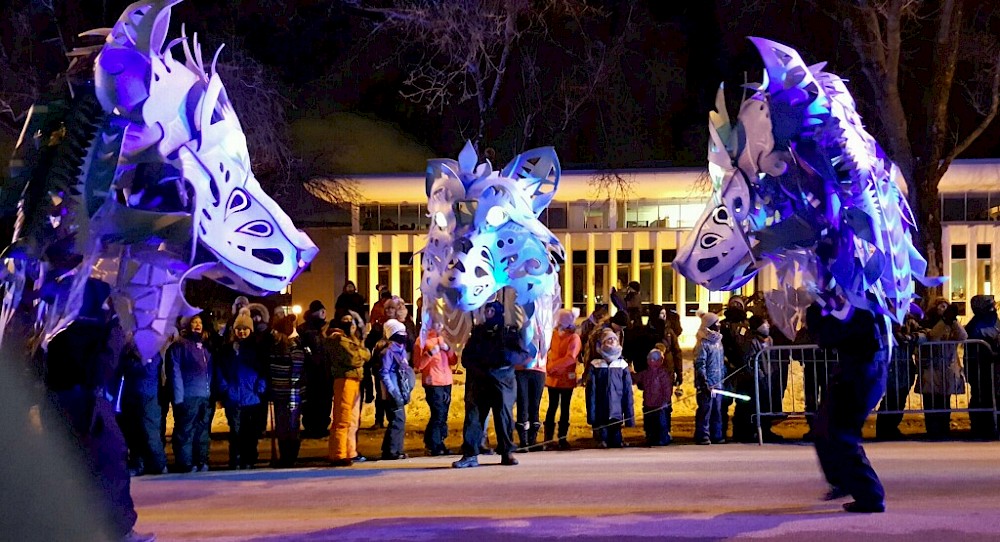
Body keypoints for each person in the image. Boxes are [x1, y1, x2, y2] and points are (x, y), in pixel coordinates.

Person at [43, 278, 155, 542]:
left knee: (71, 469)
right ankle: (119, 531)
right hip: (88, 405)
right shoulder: (93, 330)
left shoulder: (58, 329)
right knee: (110, 463)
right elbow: (100, 371)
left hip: (61, 404)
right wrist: (116, 333)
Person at [807, 301, 888, 513]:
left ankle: (870, 495)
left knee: (842, 435)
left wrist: (817, 311)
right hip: (858, 372)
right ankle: (843, 480)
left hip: (859, 374)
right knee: (824, 429)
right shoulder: (861, 303)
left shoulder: (859, 306)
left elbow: (828, 336)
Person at [453, 301, 523, 468]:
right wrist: (479, 368)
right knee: (474, 417)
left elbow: (521, 355)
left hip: (502, 380)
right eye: (486, 310)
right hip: (480, 380)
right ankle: (470, 453)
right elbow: (467, 357)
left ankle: (507, 452)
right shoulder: (478, 332)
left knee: (503, 416)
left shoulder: (509, 333)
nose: (488, 313)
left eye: (492, 310)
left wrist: (506, 357)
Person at [215, 309, 267, 469]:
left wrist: (260, 387)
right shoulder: (228, 350)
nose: (242, 332)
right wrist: (225, 388)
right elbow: (220, 369)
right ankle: (236, 459)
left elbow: (263, 370)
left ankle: (249, 458)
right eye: (239, 329)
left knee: (250, 432)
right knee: (236, 431)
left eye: (245, 329)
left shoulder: (257, 349)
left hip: (252, 397)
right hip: (234, 398)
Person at [166, 314, 213, 472]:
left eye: (200, 322)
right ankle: (186, 463)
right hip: (188, 396)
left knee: (202, 431)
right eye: (194, 322)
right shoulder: (179, 347)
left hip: (205, 397)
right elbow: (175, 372)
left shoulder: (206, 346)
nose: (197, 325)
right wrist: (178, 397)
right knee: (186, 431)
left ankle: (201, 460)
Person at [118, 339, 167, 477]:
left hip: (149, 399)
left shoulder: (153, 355)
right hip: (130, 398)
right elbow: (122, 370)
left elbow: (147, 370)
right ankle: (138, 463)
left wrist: (135, 362)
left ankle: (159, 464)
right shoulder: (128, 357)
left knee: (150, 433)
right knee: (134, 434)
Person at [327, 315, 371, 466]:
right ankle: (338, 454)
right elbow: (355, 359)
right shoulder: (338, 340)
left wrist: (360, 352)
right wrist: (360, 353)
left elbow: (366, 354)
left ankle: (349, 451)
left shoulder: (349, 339)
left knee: (352, 419)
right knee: (342, 418)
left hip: (353, 380)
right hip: (344, 380)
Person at [921, 302, 967, 439]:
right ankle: (932, 429)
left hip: (947, 368)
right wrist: (944, 321)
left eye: (945, 306)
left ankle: (944, 428)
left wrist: (953, 322)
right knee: (931, 399)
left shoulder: (950, 324)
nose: (942, 308)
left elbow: (963, 336)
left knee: (945, 400)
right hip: (932, 367)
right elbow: (933, 336)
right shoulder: (929, 324)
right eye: (940, 306)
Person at [876, 307, 923, 440]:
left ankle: (892, 426)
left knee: (901, 398)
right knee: (891, 398)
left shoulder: (910, 321)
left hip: (905, 366)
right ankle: (884, 429)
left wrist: (911, 337)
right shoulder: (882, 321)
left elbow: (925, 333)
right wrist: (892, 336)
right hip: (890, 366)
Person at [585, 327, 635, 448]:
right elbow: (591, 392)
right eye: (608, 340)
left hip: (616, 413)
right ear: (602, 343)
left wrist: (629, 418)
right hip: (600, 413)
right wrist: (591, 416)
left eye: (614, 339)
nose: (612, 342)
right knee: (602, 441)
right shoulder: (595, 364)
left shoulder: (622, 365)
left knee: (616, 441)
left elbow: (628, 393)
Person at [414, 321, 458, 456]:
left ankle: (438, 441)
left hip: (446, 381)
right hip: (433, 381)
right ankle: (434, 443)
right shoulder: (421, 341)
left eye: (440, 323)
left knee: (443, 414)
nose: (439, 326)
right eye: (435, 324)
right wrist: (430, 353)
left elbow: (454, 361)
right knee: (437, 413)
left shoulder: (445, 339)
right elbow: (418, 365)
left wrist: (448, 349)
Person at [268, 314, 307, 467]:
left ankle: (289, 458)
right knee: (282, 427)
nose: (274, 334)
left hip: (291, 396)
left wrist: (292, 399)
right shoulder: (276, 348)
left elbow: (295, 376)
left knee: (290, 427)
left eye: (276, 331)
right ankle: (285, 456)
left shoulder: (295, 348)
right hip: (279, 394)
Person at [544, 309, 581, 450]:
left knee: (563, 408)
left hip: (563, 378)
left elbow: (570, 357)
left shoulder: (573, 338)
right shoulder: (557, 335)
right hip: (556, 378)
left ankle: (561, 438)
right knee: (553, 407)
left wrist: (552, 367)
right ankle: (551, 439)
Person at [964, 295, 1000, 440]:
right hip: (978, 366)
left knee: (994, 396)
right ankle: (980, 426)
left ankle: (992, 425)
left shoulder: (993, 320)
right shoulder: (976, 323)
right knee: (979, 395)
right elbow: (972, 337)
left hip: (992, 367)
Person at [634, 344, 682, 446]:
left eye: (656, 359)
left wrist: (665, 401)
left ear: (661, 361)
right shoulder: (646, 373)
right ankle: (650, 437)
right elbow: (636, 378)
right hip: (648, 405)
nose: (653, 361)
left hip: (660, 406)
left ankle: (663, 438)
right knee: (649, 423)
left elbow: (667, 389)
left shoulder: (663, 374)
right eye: (651, 359)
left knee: (661, 424)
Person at [378, 319, 412, 460]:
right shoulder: (388, 352)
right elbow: (384, 372)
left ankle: (392, 449)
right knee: (397, 420)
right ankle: (392, 451)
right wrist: (392, 391)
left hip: (399, 390)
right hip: (392, 392)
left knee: (397, 420)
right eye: (400, 332)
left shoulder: (400, 350)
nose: (404, 335)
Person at [514, 305, 547, 452]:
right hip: (521, 370)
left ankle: (533, 440)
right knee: (523, 404)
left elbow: (545, 346)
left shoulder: (543, 328)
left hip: (538, 370)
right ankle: (524, 440)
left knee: (535, 405)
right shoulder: (520, 327)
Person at [719, 296, 751, 441]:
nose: (736, 308)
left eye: (739, 305)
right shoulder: (722, 325)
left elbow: (747, 346)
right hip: (727, 369)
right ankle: (720, 431)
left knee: (743, 403)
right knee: (723, 402)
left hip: (743, 370)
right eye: (734, 305)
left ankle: (742, 432)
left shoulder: (746, 326)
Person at [299, 300, 331, 439]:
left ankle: (322, 426)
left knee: (325, 400)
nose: (323, 313)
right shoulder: (304, 329)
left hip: (326, 370)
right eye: (320, 310)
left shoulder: (328, 328)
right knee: (311, 400)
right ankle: (310, 427)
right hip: (310, 371)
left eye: (324, 310)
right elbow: (302, 347)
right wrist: (310, 357)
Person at [693, 311, 726, 445]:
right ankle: (702, 434)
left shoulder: (718, 342)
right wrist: (704, 380)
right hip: (706, 384)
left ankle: (716, 434)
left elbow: (720, 362)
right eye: (716, 323)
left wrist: (723, 375)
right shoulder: (703, 344)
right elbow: (700, 364)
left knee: (717, 410)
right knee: (705, 410)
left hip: (718, 383)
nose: (719, 325)